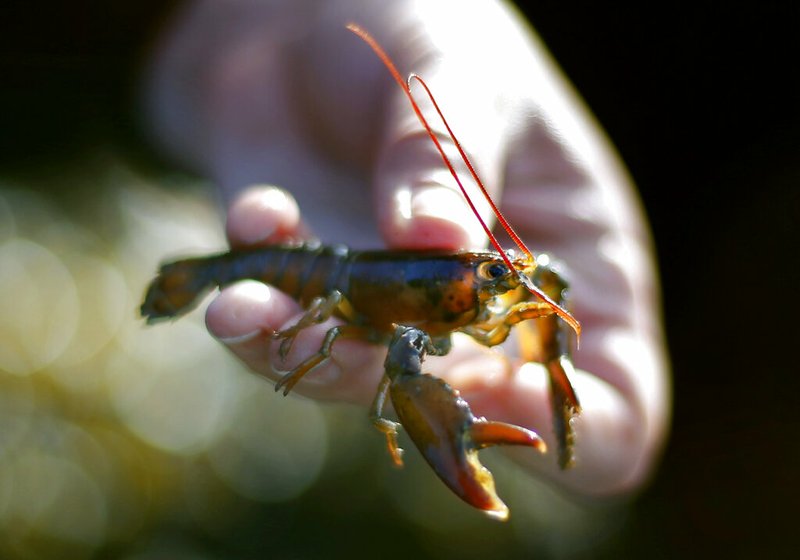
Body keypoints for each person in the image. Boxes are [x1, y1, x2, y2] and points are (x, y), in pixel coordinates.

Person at [146, 0, 669, 496]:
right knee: (363, 350)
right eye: (488, 275)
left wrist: (551, 363)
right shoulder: (418, 306)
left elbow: (544, 277)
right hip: (313, 277)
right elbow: (401, 355)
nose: (498, 280)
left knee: (539, 276)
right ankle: (191, 278)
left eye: (489, 275)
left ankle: (547, 378)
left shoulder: (472, 285)